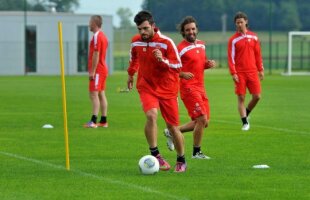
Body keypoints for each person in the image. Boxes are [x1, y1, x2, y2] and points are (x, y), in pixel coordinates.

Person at [127, 11, 186, 172]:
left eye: (145, 28)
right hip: (146, 86)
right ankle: (156, 155)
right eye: (139, 29)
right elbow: (134, 58)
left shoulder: (166, 42)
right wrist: (131, 74)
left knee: (173, 127)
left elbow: (178, 66)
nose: (142, 32)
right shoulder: (136, 42)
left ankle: (181, 160)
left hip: (168, 89)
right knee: (151, 115)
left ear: (153, 26)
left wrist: (163, 60)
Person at [163, 16, 216, 159]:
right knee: (202, 118)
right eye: (187, 30)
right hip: (188, 88)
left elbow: (199, 64)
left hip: (201, 87)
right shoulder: (179, 49)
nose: (191, 32)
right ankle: (196, 152)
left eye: (193, 29)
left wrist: (207, 64)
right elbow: (170, 68)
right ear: (183, 32)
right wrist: (182, 74)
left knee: (204, 123)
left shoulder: (202, 45)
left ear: (196, 29)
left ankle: (172, 131)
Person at [227, 12, 264, 131]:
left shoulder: (254, 37)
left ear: (246, 22)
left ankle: (246, 113)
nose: (239, 24)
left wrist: (260, 69)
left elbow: (258, 55)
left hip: (253, 71)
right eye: (237, 23)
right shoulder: (233, 40)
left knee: (257, 96)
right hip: (240, 73)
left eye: (241, 22)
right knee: (241, 98)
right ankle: (245, 123)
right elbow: (231, 58)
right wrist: (233, 73)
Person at [84, 15, 109, 128]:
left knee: (93, 94)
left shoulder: (97, 36)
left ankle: (93, 121)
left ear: (94, 23)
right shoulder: (103, 36)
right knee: (101, 94)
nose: (89, 24)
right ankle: (103, 121)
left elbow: (96, 54)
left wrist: (92, 71)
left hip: (98, 70)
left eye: (90, 22)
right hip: (103, 69)